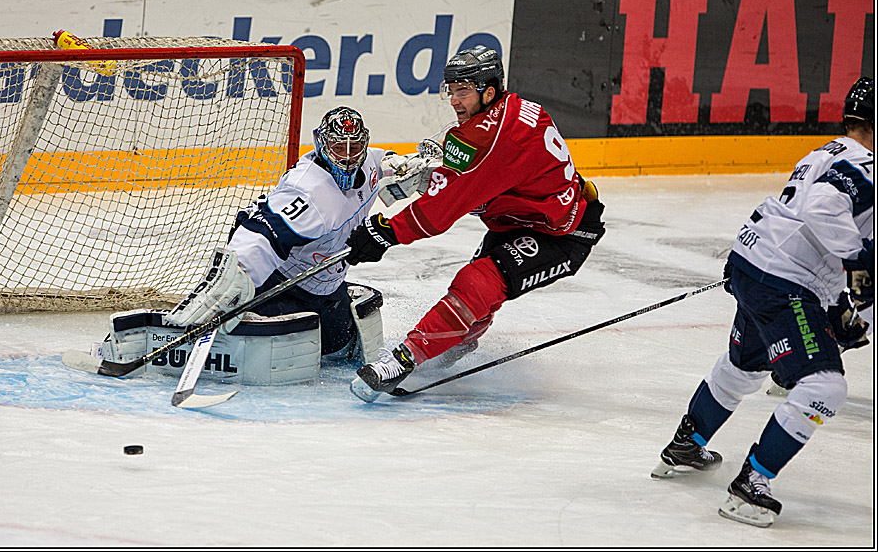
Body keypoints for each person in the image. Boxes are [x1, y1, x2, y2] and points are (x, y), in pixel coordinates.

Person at [651, 77, 874, 528]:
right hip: (784, 281)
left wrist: (854, 312)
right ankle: (750, 485)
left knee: (744, 364)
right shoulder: (866, 166)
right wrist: (858, 263)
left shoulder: (829, 151)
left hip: (755, 261)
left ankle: (686, 444)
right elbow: (824, 210)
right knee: (824, 387)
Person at [98, 107, 435, 385]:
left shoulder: (371, 165)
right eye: (338, 148)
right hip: (281, 283)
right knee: (249, 334)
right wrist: (232, 280)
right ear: (322, 146)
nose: (348, 157)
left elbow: (393, 166)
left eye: (354, 148)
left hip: (325, 285)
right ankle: (186, 334)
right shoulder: (308, 191)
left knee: (337, 347)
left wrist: (421, 168)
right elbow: (260, 235)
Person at [344, 46, 606, 402]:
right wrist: (437, 176)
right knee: (480, 294)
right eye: (450, 90)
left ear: (489, 91)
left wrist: (385, 231)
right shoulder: (509, 112)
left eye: (462, 90)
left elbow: (441, 210)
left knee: (478, 282)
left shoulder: (489, 137)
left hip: (562, 233)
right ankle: (458, 341)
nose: (453, 100)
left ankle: (404, 359)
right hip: (521, 219)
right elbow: (489, 181)